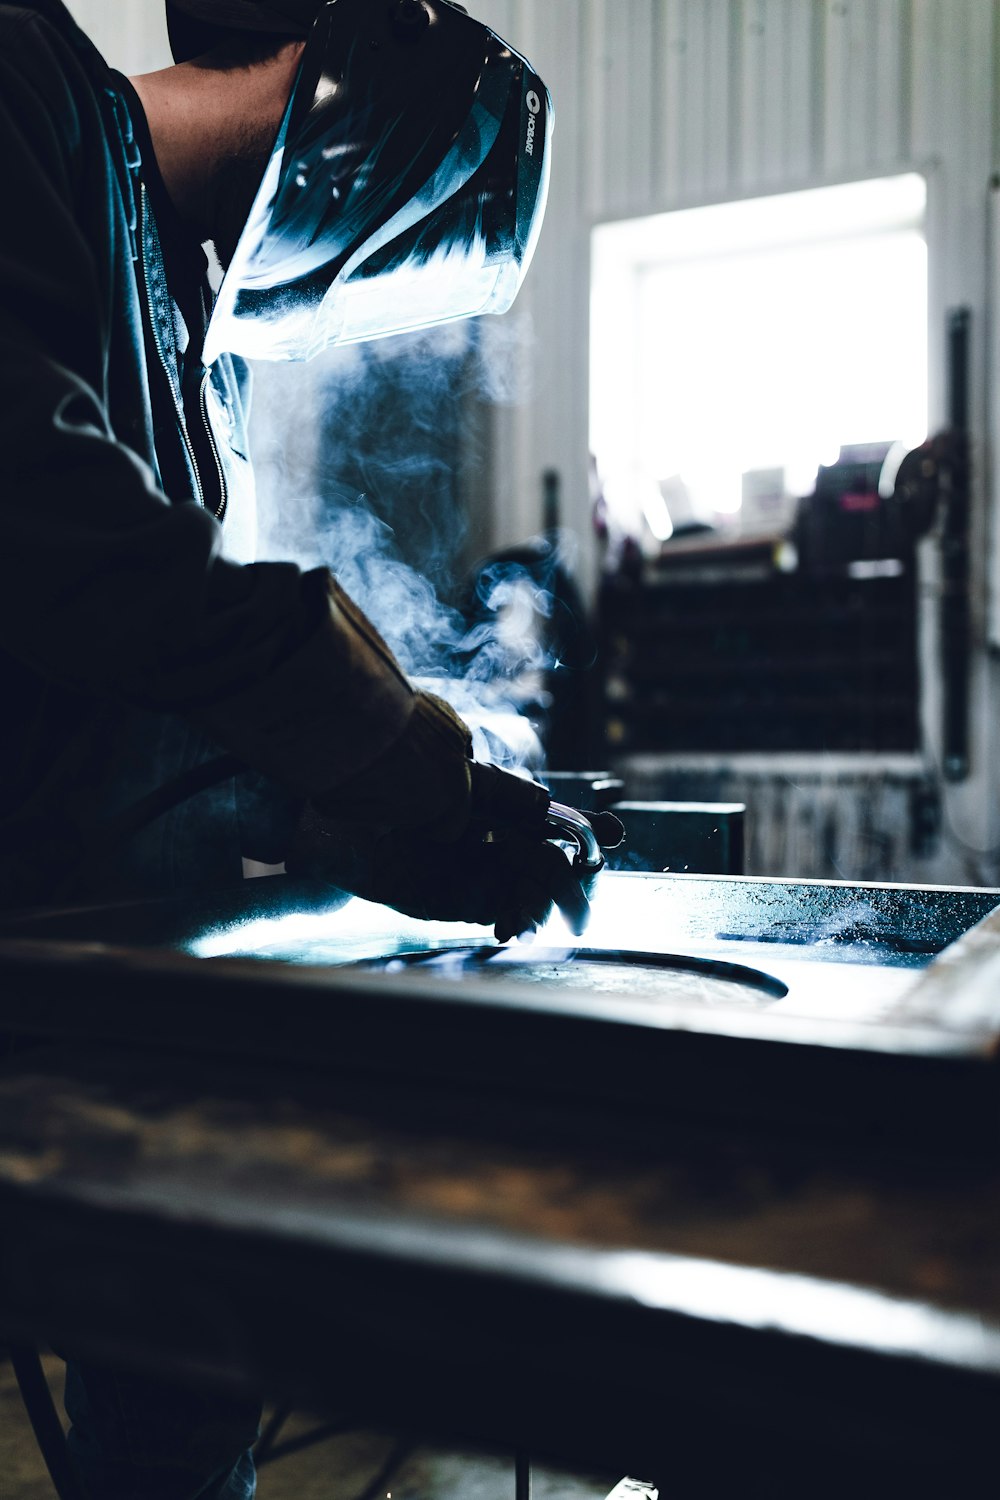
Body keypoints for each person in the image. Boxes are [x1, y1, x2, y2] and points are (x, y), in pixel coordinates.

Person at [0, 0, 613, 1494]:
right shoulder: (19, 83)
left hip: (68, 971)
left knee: (198, 1333)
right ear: (351, 106)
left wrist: (355, 826)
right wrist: (392, 752)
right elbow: (62, 537)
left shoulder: (180, 322)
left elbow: (131, 702)